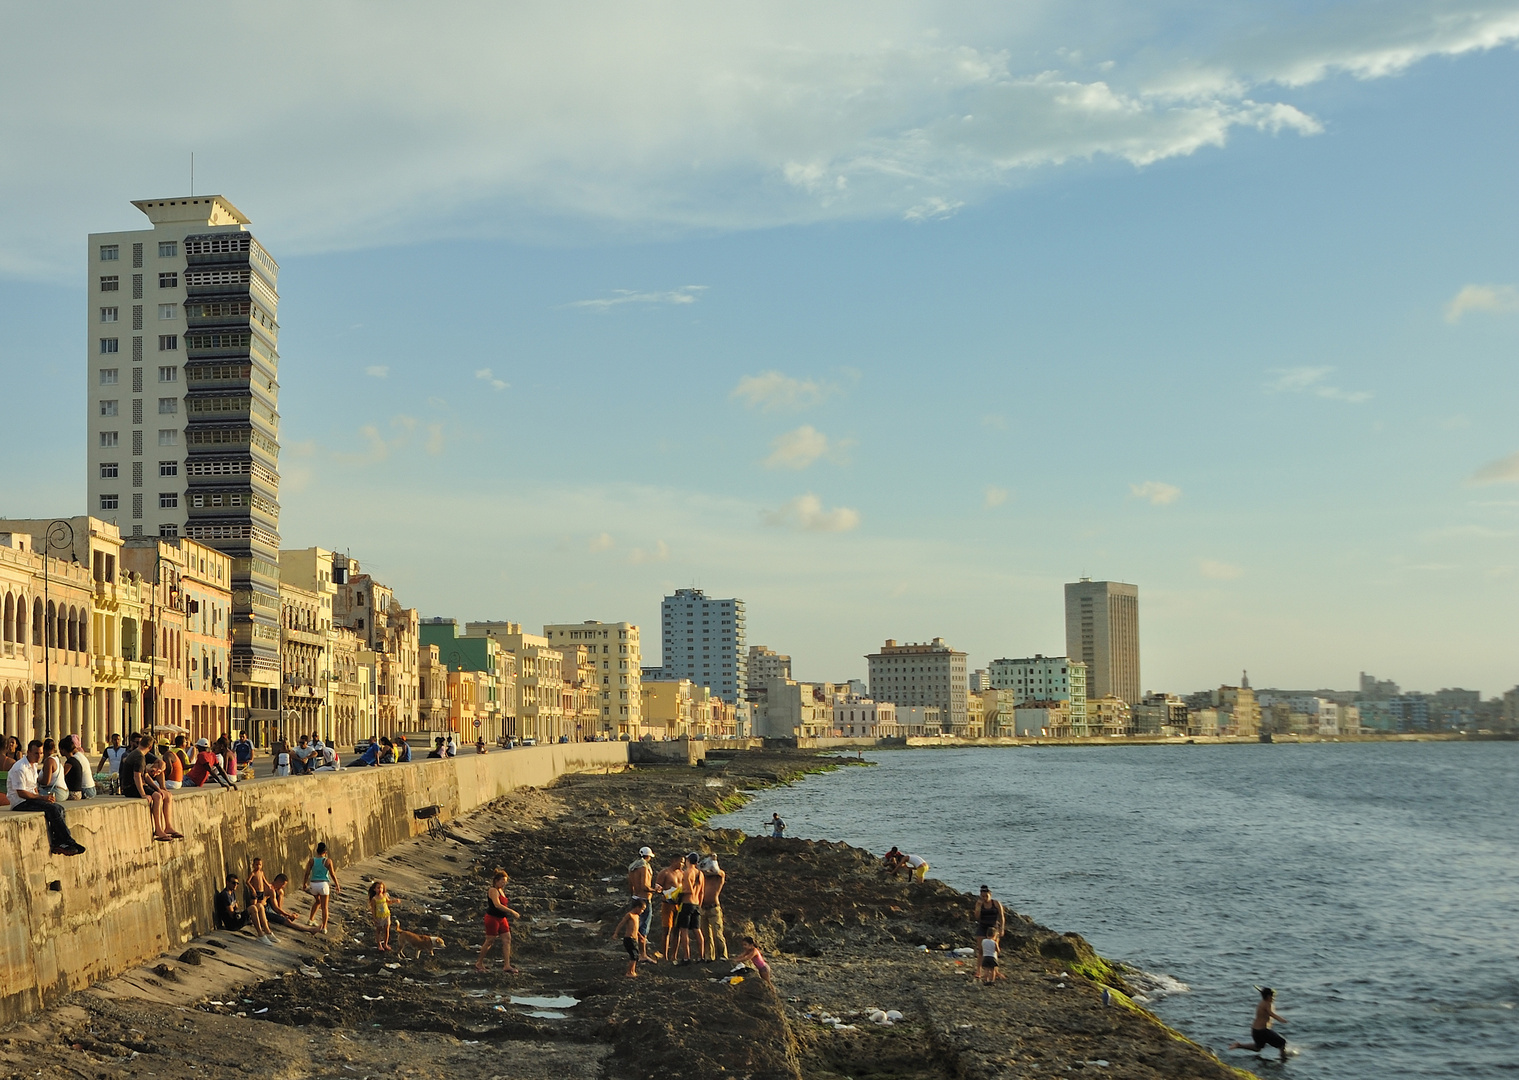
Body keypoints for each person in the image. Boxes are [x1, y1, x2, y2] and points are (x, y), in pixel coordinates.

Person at [8, 740, 86, 856]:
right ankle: (68, 841)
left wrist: (42, 798)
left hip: (30, 799)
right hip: (20, 802)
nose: (39, 756)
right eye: (36, 753)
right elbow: (21, 793)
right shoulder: (20, 768)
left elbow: (33, 787)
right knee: (52, 809)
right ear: (28, 752)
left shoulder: (33, 765)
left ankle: (59, 841)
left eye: (40, 753)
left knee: (58, 808)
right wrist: (41, 798)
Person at [121, 733, 180, 841]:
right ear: (150, 747)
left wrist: (158, 788)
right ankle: (158, 828)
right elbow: (137, 776)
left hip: (136, 785)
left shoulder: (140, 754)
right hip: (130, 787)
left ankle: (168, 826)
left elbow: (146, 775)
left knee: (167, 795)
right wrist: (143, 794)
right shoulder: (138, 757)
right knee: (157, 797)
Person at [476, 868, 521, 973]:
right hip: (492, 918)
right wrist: (512, 911)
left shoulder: (501, 890)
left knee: (507, 940)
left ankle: (507, 965)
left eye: (505, 881)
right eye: (502, 881)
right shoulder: (493, 890)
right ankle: (479, 963)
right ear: (496, 880)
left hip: (502, 919)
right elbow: (497, 905)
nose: (504, 883)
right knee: (489, 941)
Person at [1229, 987, 1289, 1062]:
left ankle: (1239, 1045)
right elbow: (1271, 1014)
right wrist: (1282, 1020)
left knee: (1258, 1048)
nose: (1274, 998)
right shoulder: (1267, 1004)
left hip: (1255, 1030)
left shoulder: (1263, 1002)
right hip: (1262, 1031)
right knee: (1282, 1042)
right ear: (1268, 997)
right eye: (1273, 996)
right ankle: (1283, 1059)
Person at [626, 846, 658, 959]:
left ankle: (636, 952)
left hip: (635, 898)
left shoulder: (632, 867)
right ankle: (642, 954)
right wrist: (656, 890)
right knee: (643, 928)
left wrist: (633, 897)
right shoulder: (644, 867)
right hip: (644, 899)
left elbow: (630, 886)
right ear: (647, 856)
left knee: (634, 927)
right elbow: (644, 886)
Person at [302, 841, 341, 932]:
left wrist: (304, 883)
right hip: (323, 884)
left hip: (313, 884)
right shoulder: (327, 861)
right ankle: (324, 926)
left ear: (317, 851)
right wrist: (337, 885)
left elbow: (307, 873)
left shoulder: (312, 860)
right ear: (325, 852)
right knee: (324, 907)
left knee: (318, 901)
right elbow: (332, 874)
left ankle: (311, 919)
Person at [674, 852, 705, 964]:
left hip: (687, 904)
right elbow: (701, 892)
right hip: (697, 904)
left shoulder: (687, 873)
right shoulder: (700, 874)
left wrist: (678, 893)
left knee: (684, 930)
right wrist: (699, 905)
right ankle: (701, 956)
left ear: (688, 861)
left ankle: (687, 957)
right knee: (697, 930)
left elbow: (689, 890)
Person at [655, 853, 685, 960]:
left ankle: (674, 955)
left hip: (679, 904)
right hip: (667, 904)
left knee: (677, 930)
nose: (682, 864)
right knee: (666, 929)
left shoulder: (682, 874)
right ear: (673, 860)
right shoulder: (665, 872)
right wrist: (664, 892)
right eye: (680, 861)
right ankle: (665, 956)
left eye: (683, 862)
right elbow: (658, 887)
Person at [699, 855, 728, 961]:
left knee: (718, 933)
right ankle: (708, 956)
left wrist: (713, 862)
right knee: (706, 935)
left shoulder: (718, 877)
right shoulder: (703, 877)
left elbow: (718, 871)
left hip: (713, 907)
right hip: (703, 908)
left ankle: (723, 956)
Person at [246, 857, 278, 945]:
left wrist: (269, 885)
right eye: (256, 864)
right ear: (253, 865)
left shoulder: (261, 873)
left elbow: (264, 880)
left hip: (261, 891)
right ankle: (251, 919)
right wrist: (252, 889)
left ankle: (260, 920)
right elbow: (247, 881)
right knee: (254, 906)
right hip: (255, 891)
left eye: (260, 864)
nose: (258, 866)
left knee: (261, 907)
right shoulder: (253, 873)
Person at [612, 899, 646, 978]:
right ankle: (629, 972)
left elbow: (635, 928)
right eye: (642, 909)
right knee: (634, 955)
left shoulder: (637, 916)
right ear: (637, 907)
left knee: (636, 956)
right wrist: (615, 933)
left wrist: (640, 936)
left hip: (634, 939)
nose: (642, 911)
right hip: (629, 939)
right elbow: (621, 924)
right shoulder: (629, 915)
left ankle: (633, 971)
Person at [61, 735, 96, 800]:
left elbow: (62, 774)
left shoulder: (74, 759)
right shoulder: (80, 755)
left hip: (86, 790)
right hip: (91, 788)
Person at [369, 880, 392, 952]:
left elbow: (388, 902)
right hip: (379, 916)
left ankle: (385, 943)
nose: (380, 890)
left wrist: (395, 901)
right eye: (378, 888)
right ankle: (379, 945)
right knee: (378, 930)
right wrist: (374, 918)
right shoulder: (374, 899)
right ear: (374, 889)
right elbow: (373, 909)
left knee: (386, 929)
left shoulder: (384, 896)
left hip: (386, 915)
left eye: (381, 888)